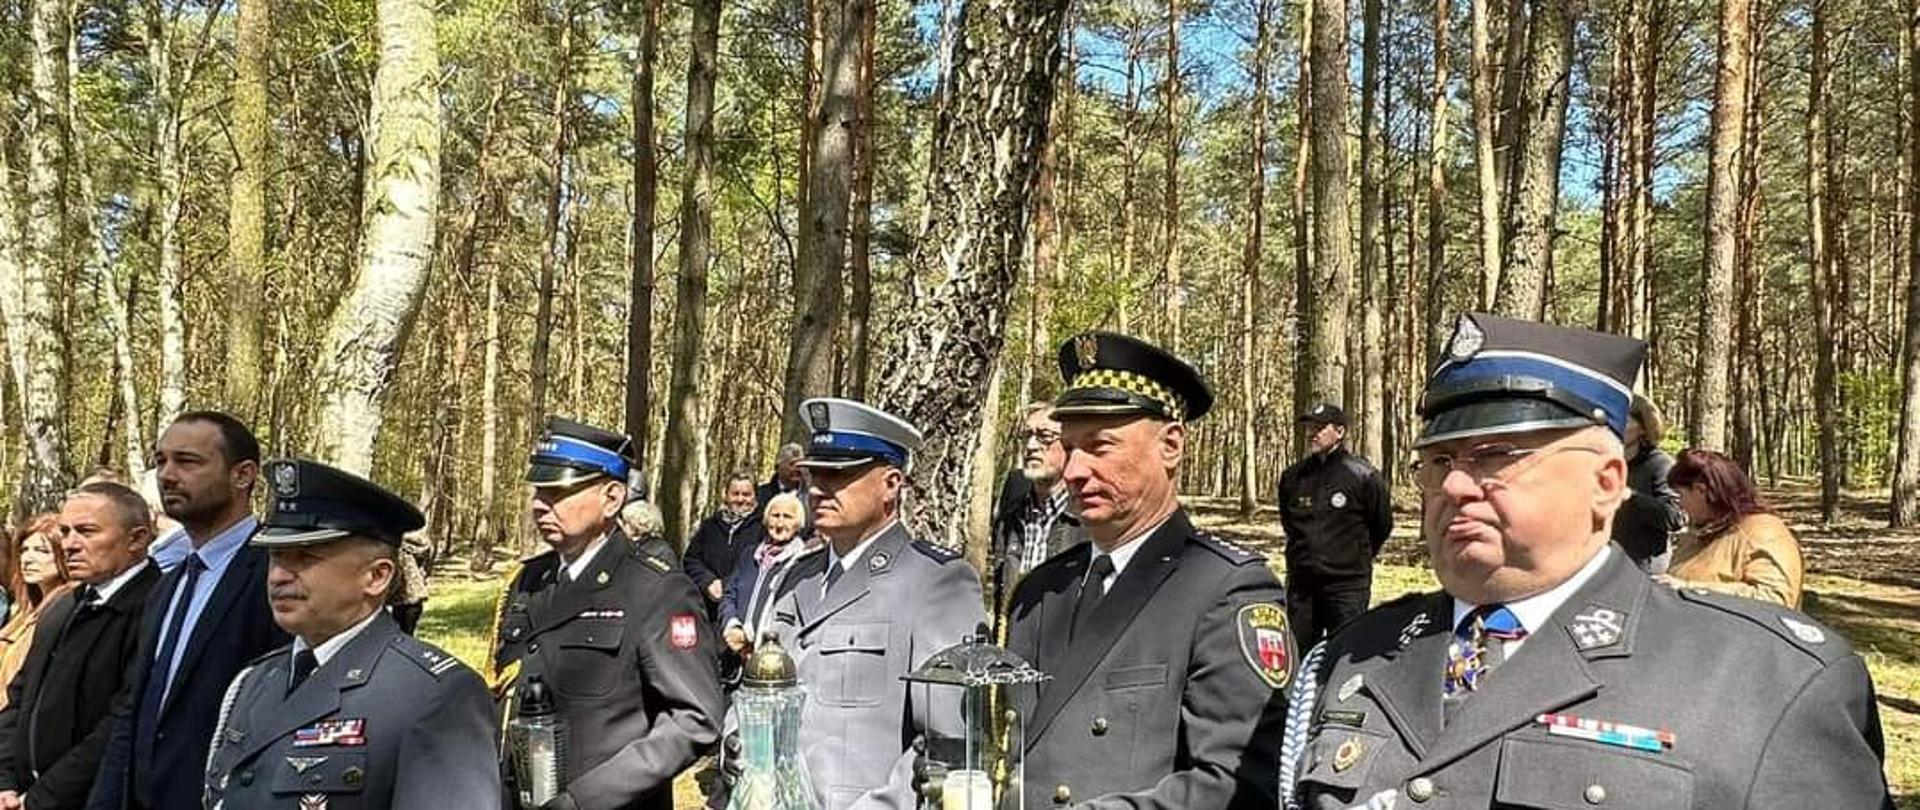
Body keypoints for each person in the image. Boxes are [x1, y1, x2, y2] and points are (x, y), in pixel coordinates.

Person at [1278, 312, 1890, 809]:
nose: (1457, 487)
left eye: (1494, 455)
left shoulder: (1767, 679)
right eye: (1439, 463)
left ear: (1606, 482)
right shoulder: (1352, 658)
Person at [1002, 332, 1291, 810]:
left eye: (1099, 446)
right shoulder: (1040, 591)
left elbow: (1236, 785)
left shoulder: (1225, 590)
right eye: (1069, 447)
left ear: (1170, 446)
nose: (1072, 470)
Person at [203, 459, 500, 809]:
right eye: (276, 556)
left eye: (305, 557)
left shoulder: (436, 695)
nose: (279, 576)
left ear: (376, 577)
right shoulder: (255, 681)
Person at [489, 417, 724, 810]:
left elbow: (695, 720)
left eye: (557, 492)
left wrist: (584, 800)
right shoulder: (527, 580)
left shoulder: (655, 588)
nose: (538, 504)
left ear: (612, 498)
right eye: (537, 491)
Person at [764, 397, 985, 810]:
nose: (817, 488)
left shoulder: (937, 582)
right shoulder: (798, 575)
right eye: (814, 474)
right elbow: (759, 689)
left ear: (891, 484)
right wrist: (740, 748)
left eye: (839, 475)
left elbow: (947, 743)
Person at [89, 411, 289, 810]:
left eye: (187, 461)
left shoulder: (276, 575)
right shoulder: (168, 583)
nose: (166, 475)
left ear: (243, 475)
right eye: (161, 460)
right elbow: (134, 709)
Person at [0, 484, 158, 810]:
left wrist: (42, 799)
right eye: (65, 531)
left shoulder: (156, 607)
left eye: (87, 531)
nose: (70, 544)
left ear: (137, 539)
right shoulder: (63, 606)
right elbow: (20, 699)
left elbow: (119, 722)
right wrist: (4, 782)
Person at [1276, 403, 1392, 648]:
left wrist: (1353, 558)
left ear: (1339, 432)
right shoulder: (1293, 477)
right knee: (1299, 654)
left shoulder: (1363, 475)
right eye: (1309, 427)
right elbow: (1289, 523)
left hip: (1347, 587)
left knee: (1344, 655)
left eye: (1320, 427)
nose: (1312, 433)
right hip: (1302, 586)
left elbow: (1381, 524)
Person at [1658, 448, 1805, 609]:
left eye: (1680, 495)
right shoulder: (1701, 531)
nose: (1679, 504)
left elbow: (1775, 599)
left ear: (1701, 490)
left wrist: (1691, 588)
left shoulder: (1763, 532)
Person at [988, 402, 1082, 619]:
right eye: (1027, 435)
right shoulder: (1010, 518)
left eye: (1044, 436)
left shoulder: (1089, 522)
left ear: (1070, 445)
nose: (1031, 446)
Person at [718, 492, 809, 657]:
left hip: (774, 657)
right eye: (775, 515)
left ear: (798, 524)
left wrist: (758, 640)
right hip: (734, 654)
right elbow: (729, 595)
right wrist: (732, 627)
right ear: (767, 520)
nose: (780, 523)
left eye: (787, 517)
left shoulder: (803, 562)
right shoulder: (748, 555)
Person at [0, 516, 71, 710]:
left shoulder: (65, 610)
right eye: (24, 550)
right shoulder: (24, 611)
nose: (28, 559)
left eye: (42, 551)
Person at [683, 473, 764, 620]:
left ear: (755, 497)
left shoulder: (762, 528)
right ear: (725, 495)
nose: (740, 499)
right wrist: (707, 581)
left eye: (746, 494)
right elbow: (691, 560)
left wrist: (725, 585)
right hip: (705, 611)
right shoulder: (710, 526)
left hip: (740, 610)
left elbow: (759, 566)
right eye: (735, 494)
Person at [1625, 395, 1686, 534]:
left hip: (1644, 553)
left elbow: (1676, 516)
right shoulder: (1603, 462)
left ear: (1643, 428)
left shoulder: (1659, 464)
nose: (1617, 426)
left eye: (1625, 421)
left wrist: (1630, 497)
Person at [754, 443, 807, 513]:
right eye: (792, 464)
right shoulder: (761, 495)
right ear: (778, 467)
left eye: (800, 465)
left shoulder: (809, 495)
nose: (797, 469)